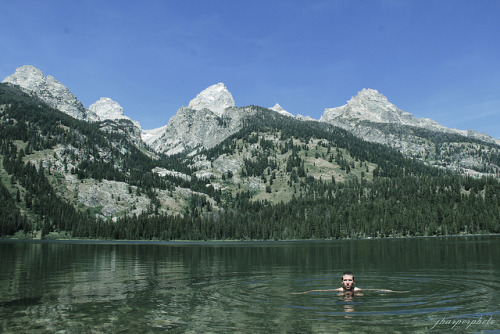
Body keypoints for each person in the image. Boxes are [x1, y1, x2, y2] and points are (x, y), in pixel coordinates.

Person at [293, 271, 399, 294]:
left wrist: (389, 291)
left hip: (355, 297)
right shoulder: (339, 290)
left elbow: (374, 290)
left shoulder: (357, 290)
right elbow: (319, 290)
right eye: (345, 280)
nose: (347, 283)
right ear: (341, 282)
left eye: (349, 280)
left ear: (354, 281)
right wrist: (304, 292)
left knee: (361, 295)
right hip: (342, 297)